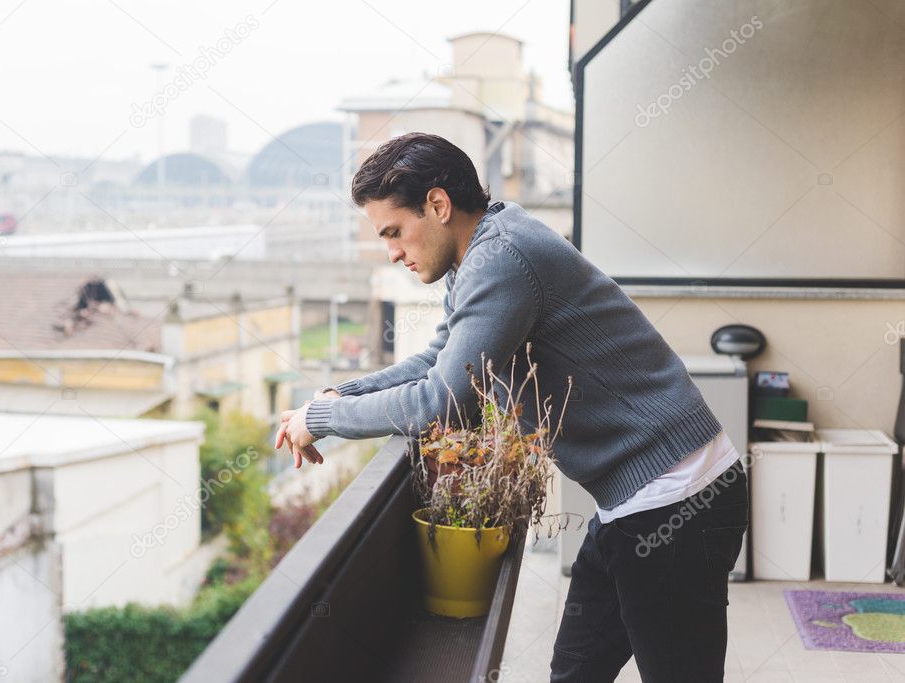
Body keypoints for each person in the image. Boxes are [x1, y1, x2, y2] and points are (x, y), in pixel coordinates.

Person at [275, 132, 748, 682]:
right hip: (637, 500)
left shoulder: (501, 257)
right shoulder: (483, 252)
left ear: (437, 204)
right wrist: (339, 398)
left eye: (394, 233)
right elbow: (438, 363)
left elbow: (441, 403)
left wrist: (321, 422)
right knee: (574, 672)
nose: (394, 253)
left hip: (678, 498)